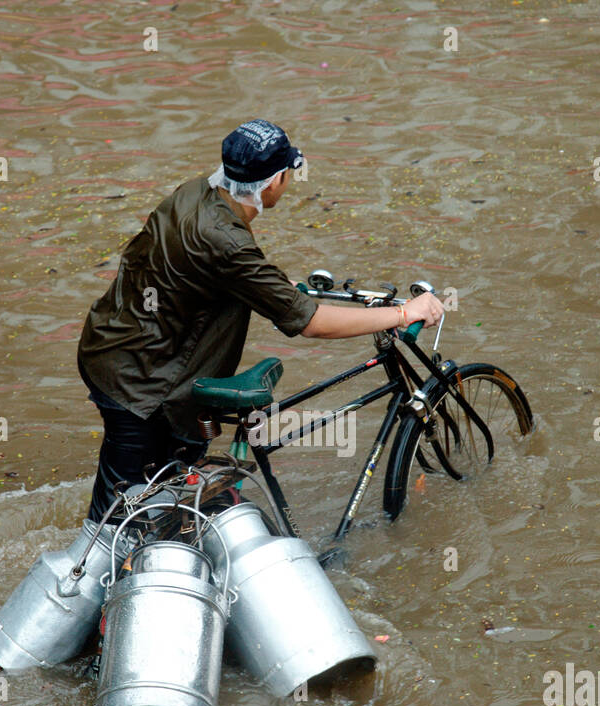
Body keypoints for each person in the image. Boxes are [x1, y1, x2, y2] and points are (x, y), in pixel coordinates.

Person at [77, 118, 444, 521]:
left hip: (110, 348)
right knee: (117, 523)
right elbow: (312, 322)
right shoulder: (230, 245)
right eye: (288, 173)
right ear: (273, 183)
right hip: (144, 387)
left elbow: (185, 267)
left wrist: (264, 284)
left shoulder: (194, 193)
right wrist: (405, 312)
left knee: (153, 495)